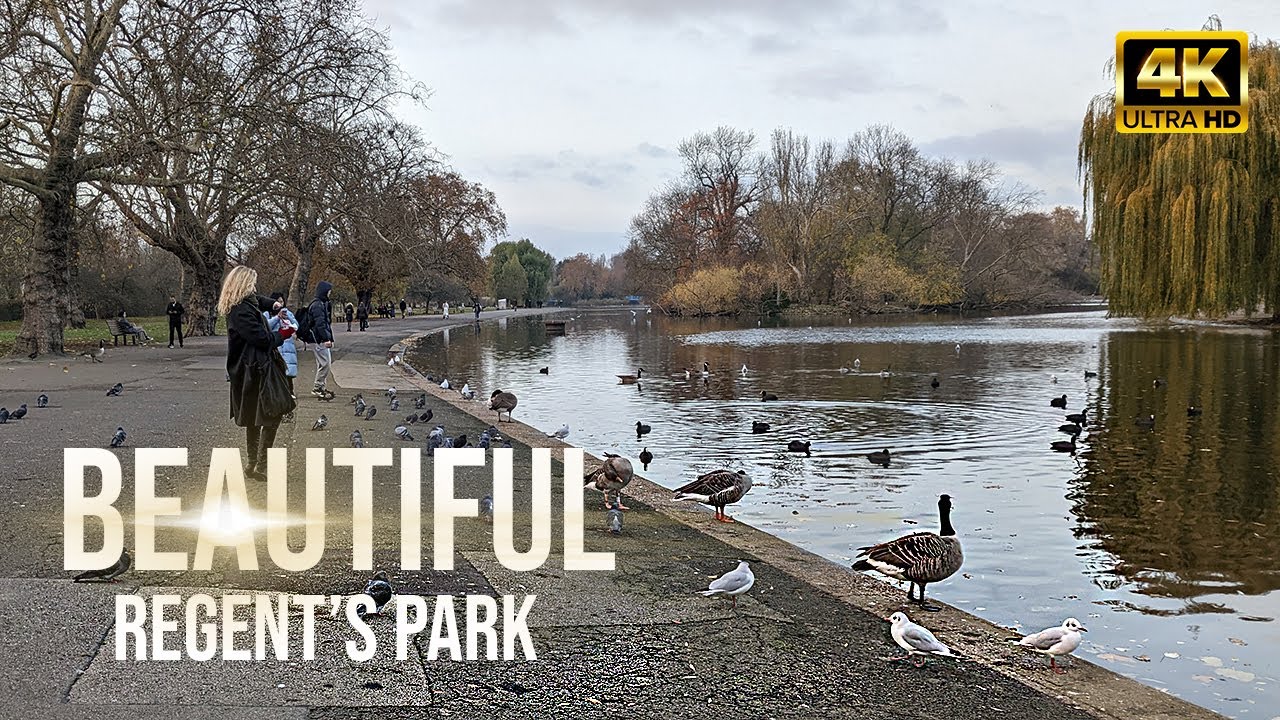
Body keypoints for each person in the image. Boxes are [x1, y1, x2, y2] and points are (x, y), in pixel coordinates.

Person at [218, 266, 293, 482]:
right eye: (252, 283)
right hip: (254, 369)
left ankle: (253, 464)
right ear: (244, 285)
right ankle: (260, 464)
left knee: (253, 416)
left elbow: (258, 300)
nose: (255, 287)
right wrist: (284, 334)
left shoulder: (242, 304)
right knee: (272, 413)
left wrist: (274, 305)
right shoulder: (241, 311)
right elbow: (262, 339)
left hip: (247, 369)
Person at [265, 293, 298, 424]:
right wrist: (277, 318)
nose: (280, 304)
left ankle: (289, 394)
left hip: (287, 345)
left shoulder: (287, 313)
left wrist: (287, 317)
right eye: (277, 302)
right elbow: (266, 327)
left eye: (281, 301)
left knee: (288, 372)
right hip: (276, 346)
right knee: (278, 374)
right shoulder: (267, 314)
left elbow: (296, 325)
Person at [307, 281, 335, 399]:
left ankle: (321, 386)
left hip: (318, 338)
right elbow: (321, 324)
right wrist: (326, 339)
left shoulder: (321, 304)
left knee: (322, 362)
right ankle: (318, 386)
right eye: (328, 291)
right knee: (325, 363)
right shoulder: (318, 305)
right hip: (318, 339)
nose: (329, 294)